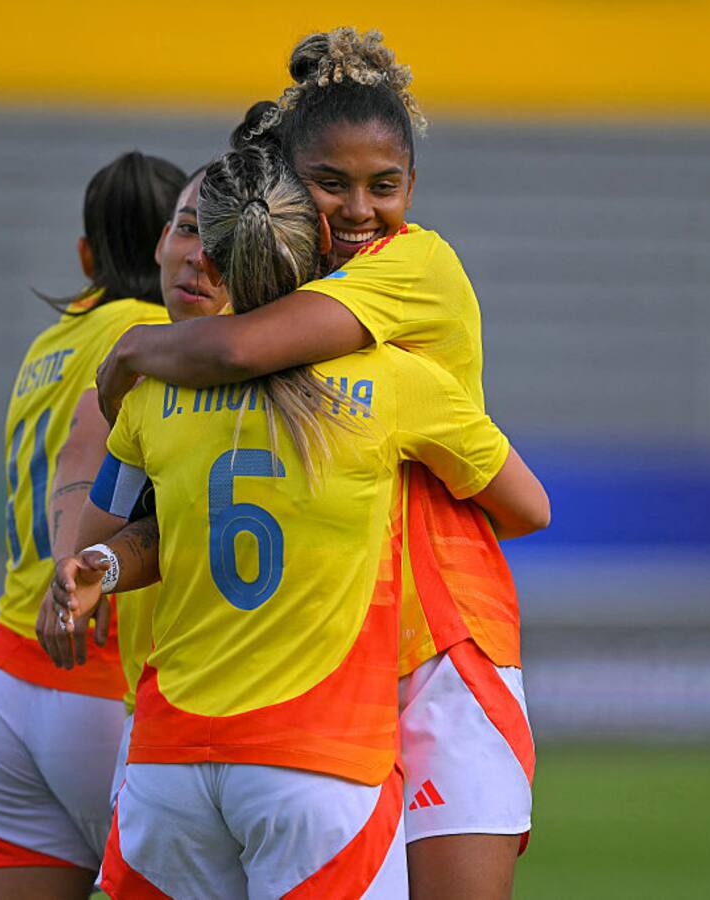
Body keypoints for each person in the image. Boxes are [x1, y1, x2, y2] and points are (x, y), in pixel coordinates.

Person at [95, 28, 536, 899]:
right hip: (319, 656)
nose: (362, 210)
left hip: (439, 635)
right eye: (332, 185)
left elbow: (238, 348)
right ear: (292, 185)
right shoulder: (287, 278)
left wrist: (133, 351)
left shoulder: (413, 264)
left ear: (412, 187)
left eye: (385, 186)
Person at [0, 151, 185, 900]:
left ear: (86, 256)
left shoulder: (47, 346)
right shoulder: (159, 336)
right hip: (103, 673)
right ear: (177, 245)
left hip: (2, 681)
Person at [36, 164, 230, 802]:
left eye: (222, 242)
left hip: (244, 719)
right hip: (155, 712)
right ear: (159, 240)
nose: (198, 258)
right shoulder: (141, 371)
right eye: (187, 229)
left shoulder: (110, 350)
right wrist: (78, 572)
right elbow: (91, 479)